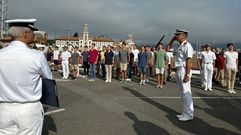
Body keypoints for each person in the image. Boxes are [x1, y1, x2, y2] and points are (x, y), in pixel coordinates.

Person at [0, 19, 52, 135]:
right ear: (25, 34)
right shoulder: (36, 56)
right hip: (28, 109)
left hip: (3, 108)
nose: (34, 35)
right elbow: (49, 78)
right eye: (32, 32)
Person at [166, 28, 194, 121]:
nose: (176, 36)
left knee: (186, 92)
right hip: (179, 70)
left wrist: (187, 75)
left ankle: (189, 114)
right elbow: (167, 49)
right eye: (176, 35)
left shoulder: (187, 46)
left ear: (183, 36)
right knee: (183, 93)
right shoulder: (180, 46)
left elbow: (189, 60)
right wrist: (172, 40)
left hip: (184, 70)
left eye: (178, 35)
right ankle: (185, 112)